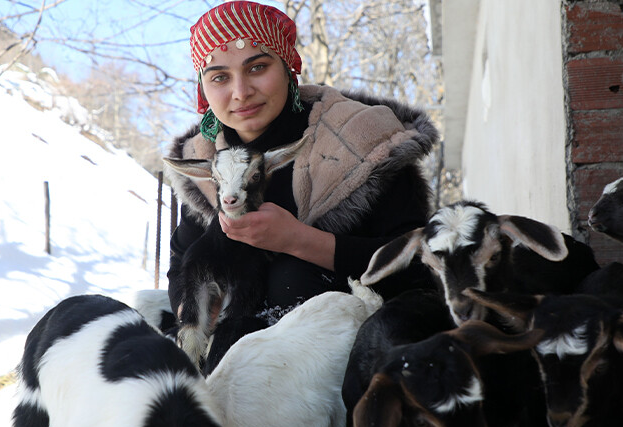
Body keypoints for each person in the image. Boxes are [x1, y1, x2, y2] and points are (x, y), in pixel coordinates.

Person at [165, 0, 438, 332]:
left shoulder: (365, 141)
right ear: (203, 89)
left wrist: (299, 241)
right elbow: (183, 262)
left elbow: (422, 263)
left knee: (291, 275)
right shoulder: (205, 160)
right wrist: (195, 313)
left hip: (361, 353)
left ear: (287, 67)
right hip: (241, 361)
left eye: (257, 68)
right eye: (219, 77)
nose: (241, 92)